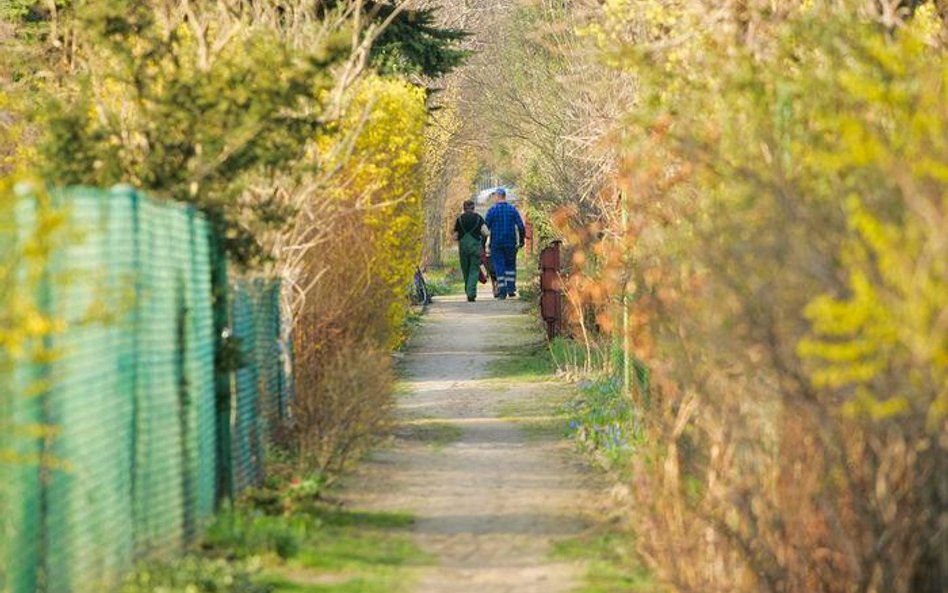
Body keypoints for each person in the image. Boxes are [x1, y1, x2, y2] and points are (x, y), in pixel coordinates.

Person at [484, 187, 525, 299]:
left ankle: (502, 291)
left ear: (497, 196)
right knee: (510, 265)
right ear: (504, 196)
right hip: (510, 242)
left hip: (496, 243)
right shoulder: (512, 210)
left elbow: (485, 228)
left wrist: (483, 243)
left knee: (499, 266)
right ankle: (511, 289)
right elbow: (521, 226)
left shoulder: (492, 211)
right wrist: (521, 240)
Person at [453, 199, 488, 302]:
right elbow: (486, 232)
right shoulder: (478, 218)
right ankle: (471, 293)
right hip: (475, 247)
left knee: (465, 270)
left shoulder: (459, 219)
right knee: (474, 270)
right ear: (473, 208)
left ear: (464, 208)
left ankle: (468, 291)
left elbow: (455, 236)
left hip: (463, 248)